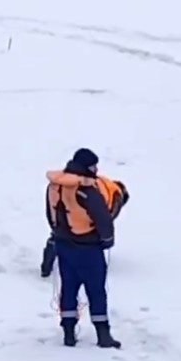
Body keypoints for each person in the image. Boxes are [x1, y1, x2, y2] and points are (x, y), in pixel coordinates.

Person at [45, 148, 121, 348]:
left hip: (63, 246)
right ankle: (103, 335)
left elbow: (50, 214)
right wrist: (107, 240)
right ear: (87, 167)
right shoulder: (86, 190)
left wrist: (59, 234)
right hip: (88, 248)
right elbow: (103, 218)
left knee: (68, 289)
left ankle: (68, 333)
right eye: (94, 166)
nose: (96, 170)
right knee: (96, 291)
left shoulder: (55, 186)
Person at [41, 170, 129, 277]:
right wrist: (105, 238)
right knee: (80, 240)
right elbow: (106, 220)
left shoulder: (104, 183)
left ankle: (46, 266)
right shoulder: (116, 196)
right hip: (82, 211)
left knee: (58, 235)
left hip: (63, 196)